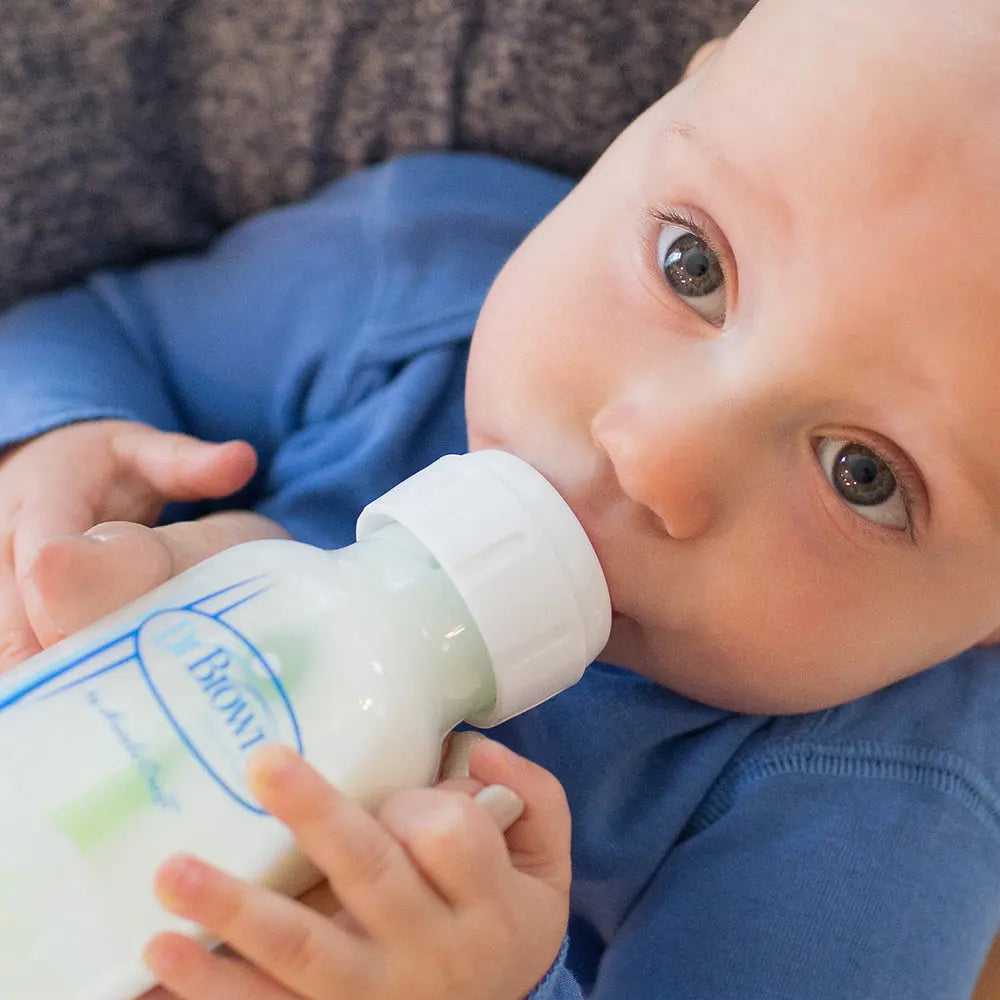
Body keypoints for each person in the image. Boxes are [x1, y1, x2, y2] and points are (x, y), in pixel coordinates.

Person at [2, 0, 1000, 995]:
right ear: (668, 103)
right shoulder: (423, 274)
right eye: (691, 264)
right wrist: (62, 451)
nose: (653, 452)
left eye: (860, 474)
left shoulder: (884, 816)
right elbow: (103, 330)